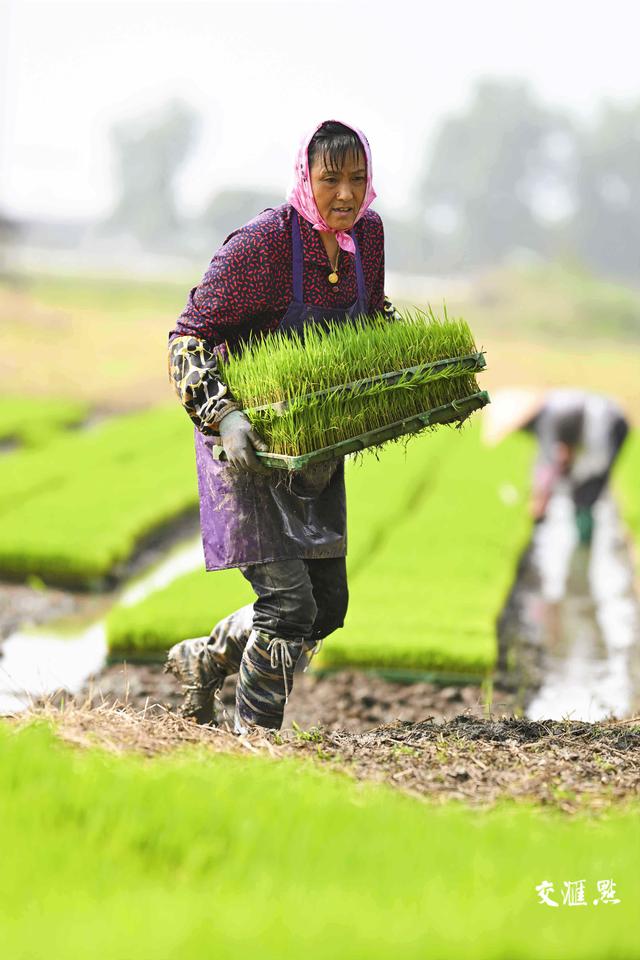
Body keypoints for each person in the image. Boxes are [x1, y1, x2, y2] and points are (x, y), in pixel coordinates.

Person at [165, 119, 399, 735]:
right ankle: (256, 743)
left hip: (310, 455)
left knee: (326, 606)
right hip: (242, 449)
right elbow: (187, 339)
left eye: (358, 179)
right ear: (306, 177)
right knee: (289, 605)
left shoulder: (367, 237)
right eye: (331, 180)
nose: (346, 194)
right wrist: (223, 414)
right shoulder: (263, 246)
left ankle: (206, 656)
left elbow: (372, 325)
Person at [522, 388, 629, 544]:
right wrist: (541, 492)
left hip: (613, 424)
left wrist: (573, 475)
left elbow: (598, 462)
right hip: (577, 430)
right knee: (569, 482)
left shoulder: (598, 429)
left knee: (589, 490)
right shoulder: (548, 424)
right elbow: (546, 461)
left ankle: (585, 539)